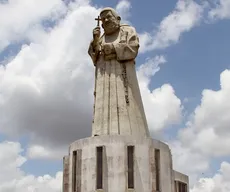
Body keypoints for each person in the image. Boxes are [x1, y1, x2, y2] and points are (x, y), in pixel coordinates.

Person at [88, 7, 150, 138]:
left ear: (118, 18)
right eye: (103, 19)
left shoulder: (127, 31)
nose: (105, 20)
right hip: (104, 78)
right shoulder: (101, 37)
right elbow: (94, 56)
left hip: (122, 77)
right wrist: (95, 40)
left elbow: (133, 48)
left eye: (108, 17)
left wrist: (113, 48)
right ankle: (101, 132)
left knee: (125, 106)